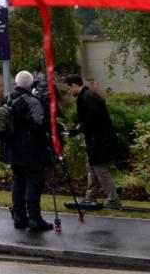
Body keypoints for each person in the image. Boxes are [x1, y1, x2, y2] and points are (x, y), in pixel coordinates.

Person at [0, 71, 54, 231]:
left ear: (16, 83)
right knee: (33, 184)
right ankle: (35, 219)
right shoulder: (32, 101)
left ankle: (19, 217)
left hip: (12, 150)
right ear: (31, 84)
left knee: (18, 183)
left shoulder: (8, 98)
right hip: (31, 150)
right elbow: (39, 125)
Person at [64, 75, 122, 210]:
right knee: (92, 168)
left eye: (68, 88)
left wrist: (79, 129)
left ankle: (113, 200)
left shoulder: (87, 97)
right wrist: (77, 127)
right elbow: (85, 118)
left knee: (100, 170)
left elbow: (93, 119)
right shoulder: (87, 96)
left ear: (74, 85)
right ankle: (89, 198)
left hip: (99, 140)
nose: (68, 92)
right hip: (98, 139)